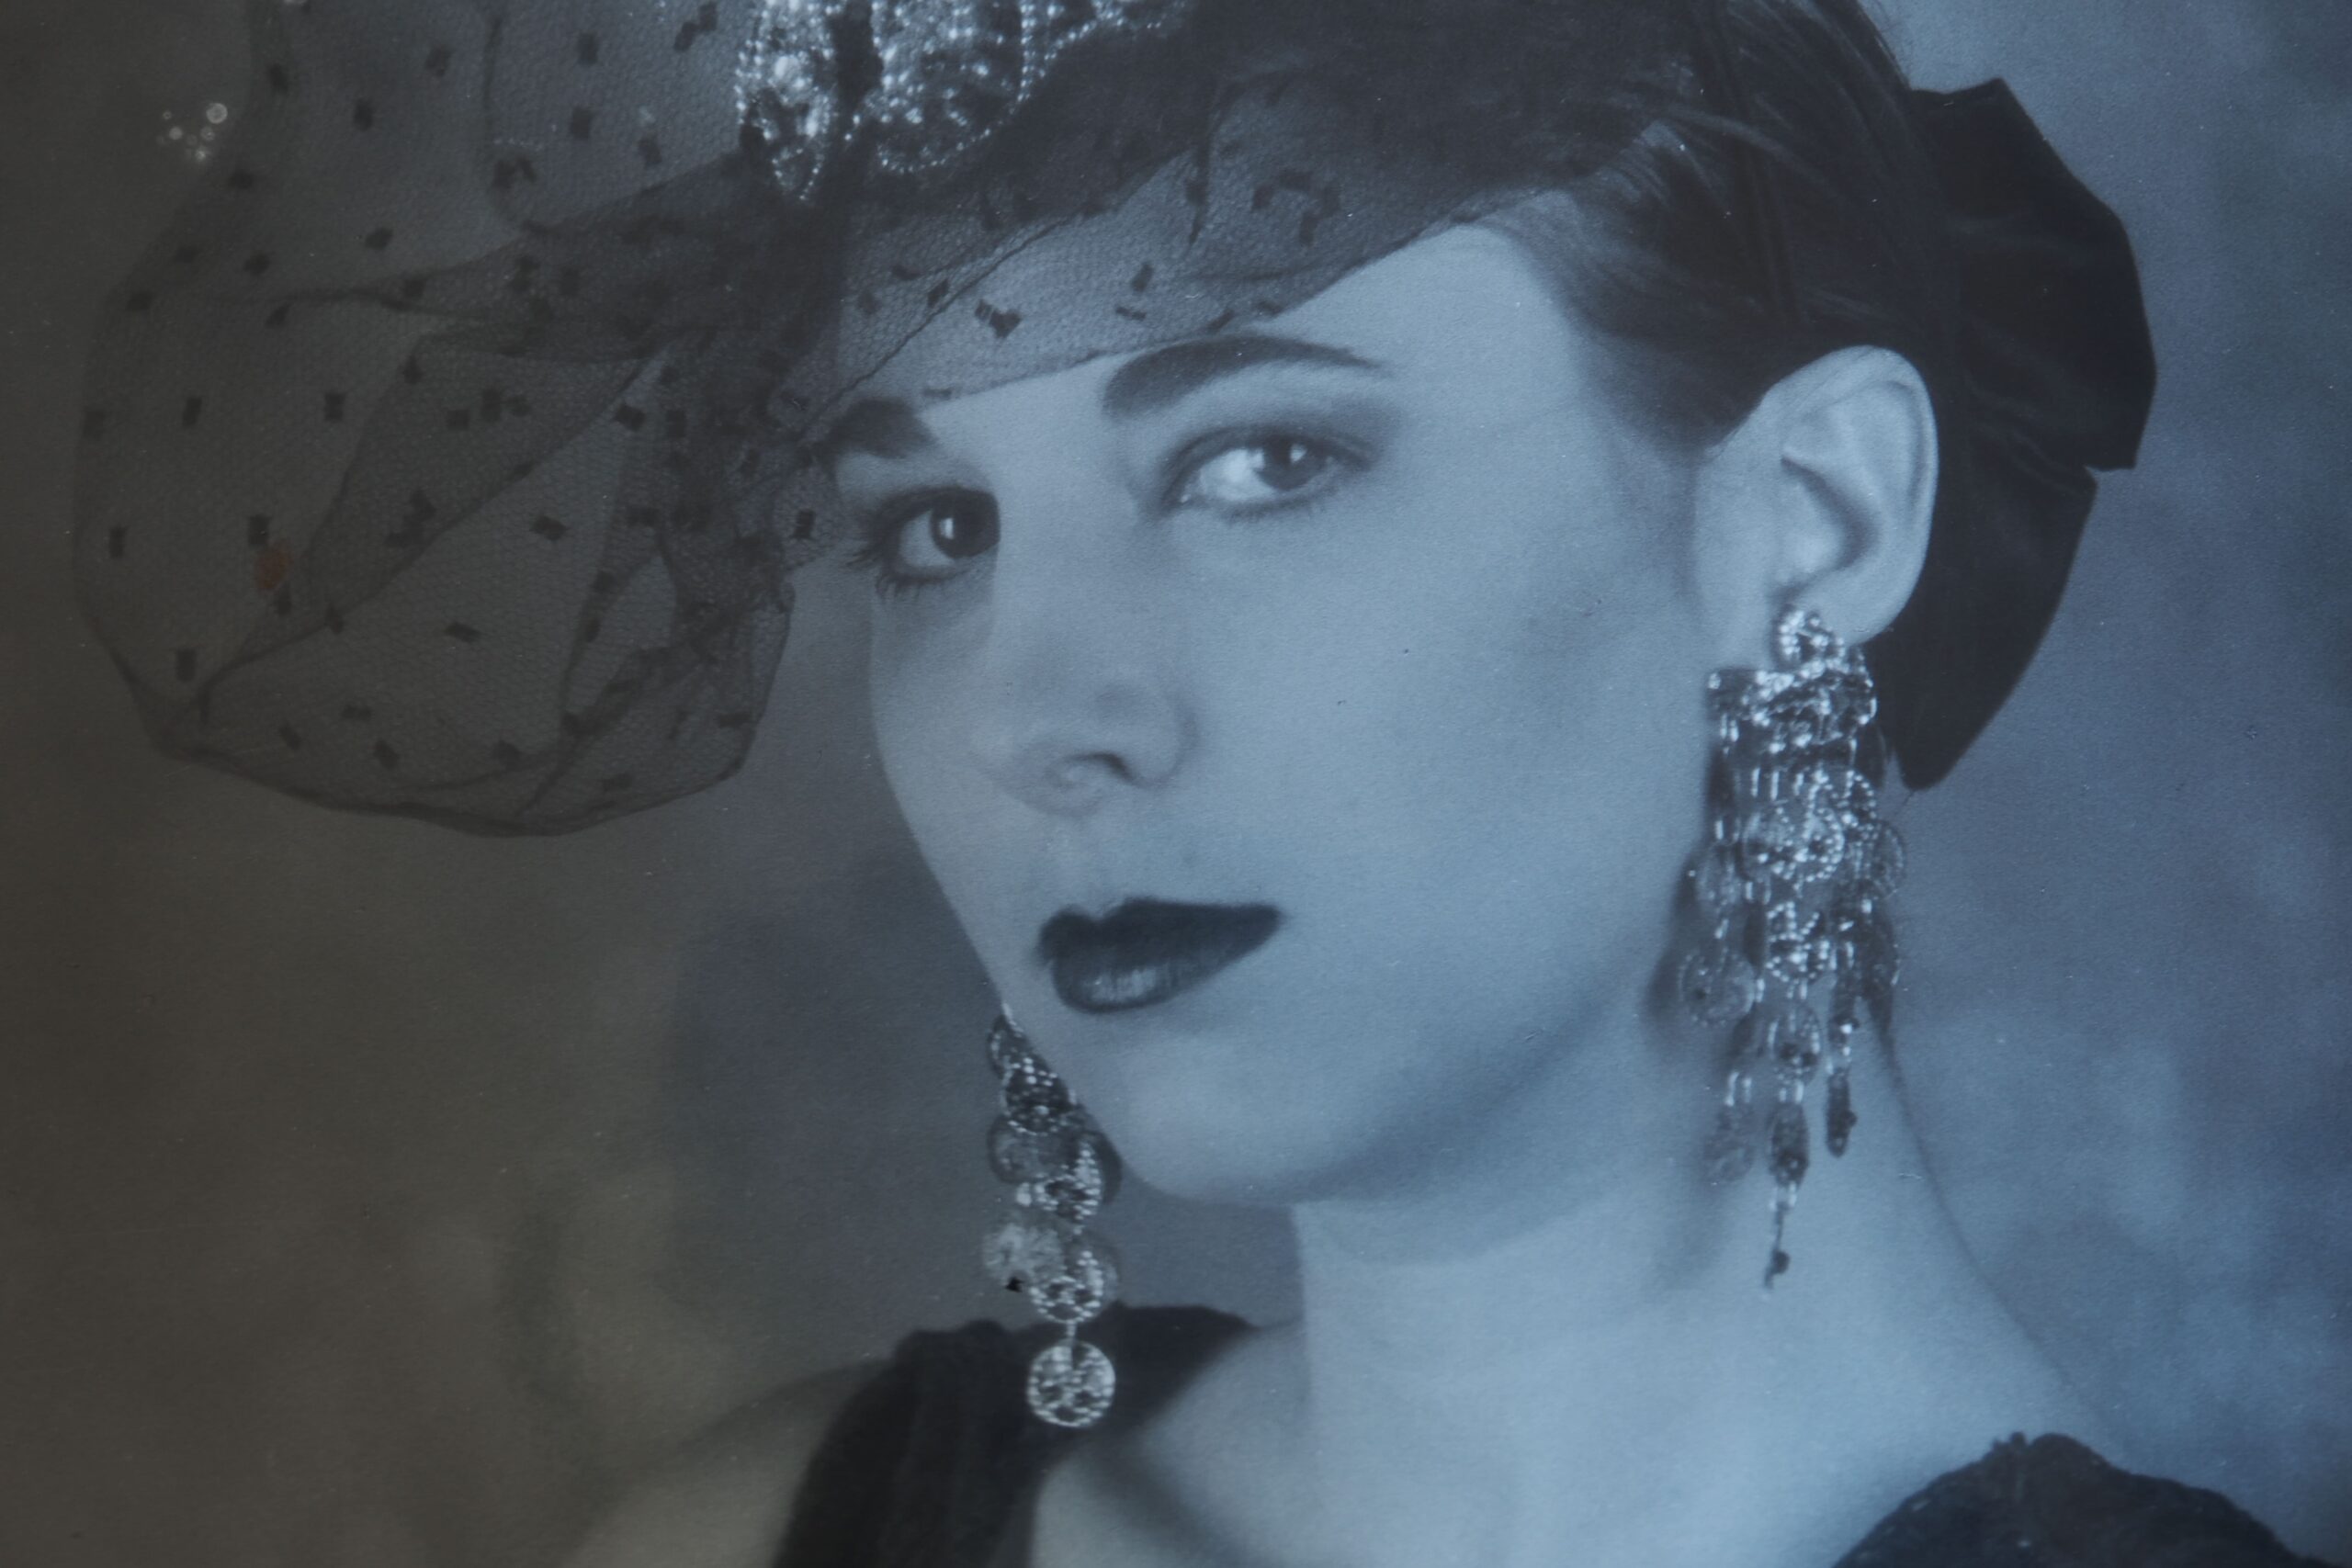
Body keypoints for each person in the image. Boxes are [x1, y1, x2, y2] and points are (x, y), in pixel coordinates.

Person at [71, 0, 2335, 1562]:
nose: (1031, 714)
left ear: (1810, 522)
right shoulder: (756, 1537)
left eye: (1262, 461)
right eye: (930, 528)